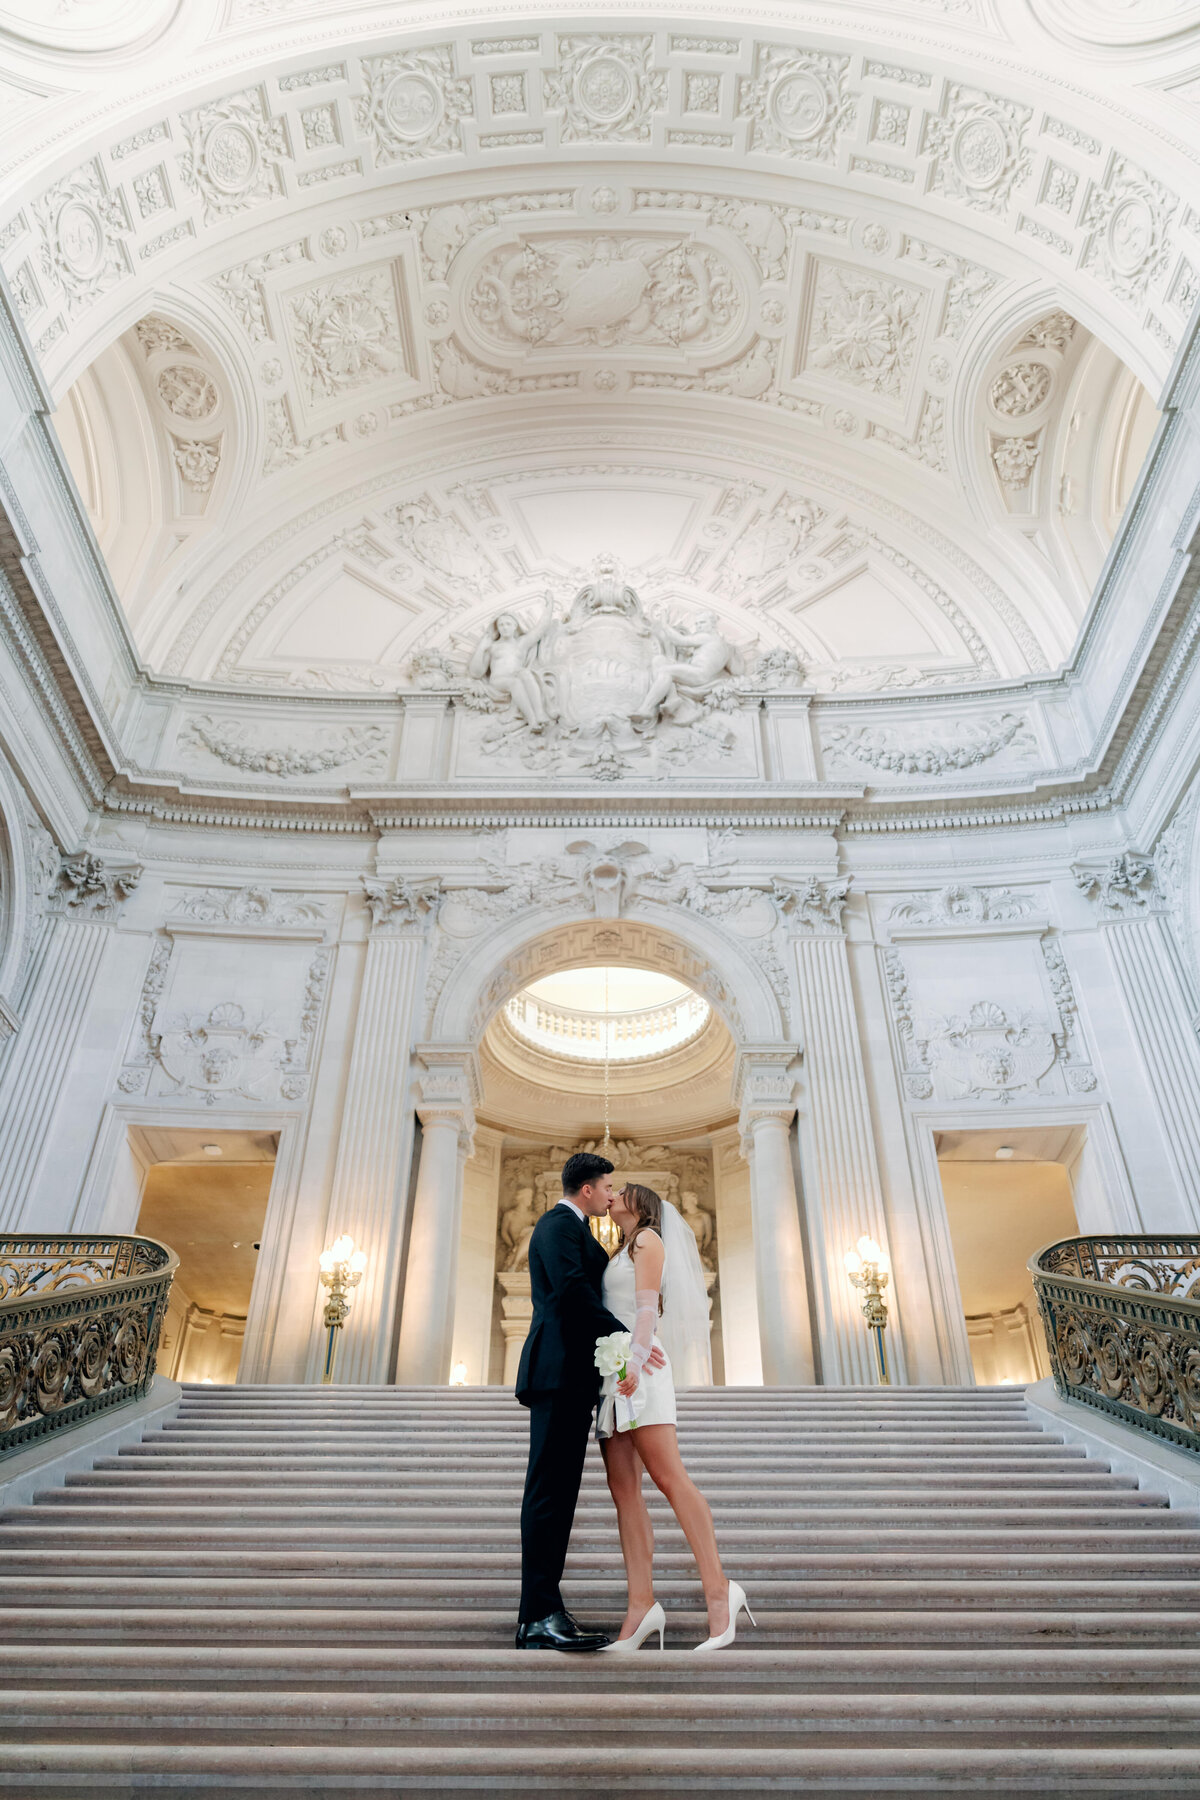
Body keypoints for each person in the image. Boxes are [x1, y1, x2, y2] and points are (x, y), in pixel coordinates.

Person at [514, 1151, 664, 1651]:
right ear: (587, 1190)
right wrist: (630, 1338)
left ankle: (546, 1609)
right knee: (549, 1495)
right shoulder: (558, 1225)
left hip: (573, 1378)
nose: (610, 1195)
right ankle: (537, 1616)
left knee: (559, 1496)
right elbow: (574, 1293)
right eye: (606, 1188)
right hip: (556, 1375)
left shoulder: (575, 1227)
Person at [597, 1182, 754, 1652]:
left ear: (640, 1204)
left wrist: (638, 1358)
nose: (612, 1194)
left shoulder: (647, 1238)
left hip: (638, 1367)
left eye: (620, 1190)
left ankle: (720, 1590)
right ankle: (640, 1607)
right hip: (615, 1369)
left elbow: (646, 1306)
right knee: (624, 1491)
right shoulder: (619, 1248)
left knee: (669, 1477)